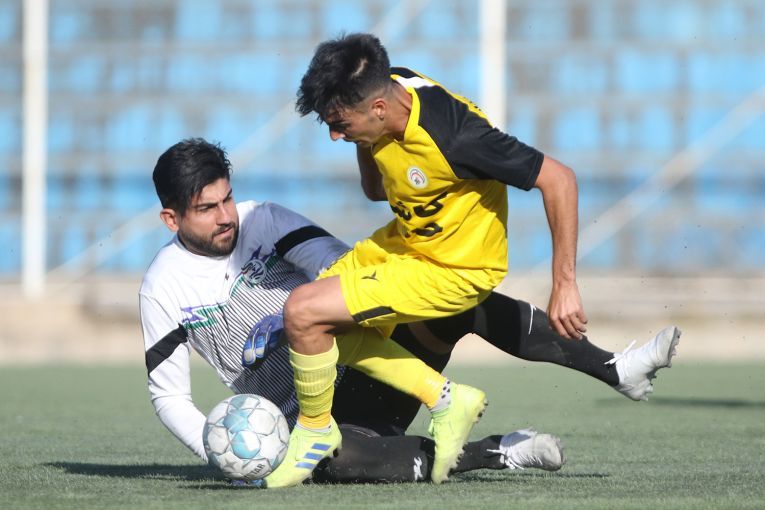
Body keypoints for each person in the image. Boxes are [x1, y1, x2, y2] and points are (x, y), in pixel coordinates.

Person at [271, 32, 681, 486]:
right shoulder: (393, 86)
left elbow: (559, 179)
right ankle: (612, 370)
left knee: (306, 313)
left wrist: (564, 282)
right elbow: (375, 190)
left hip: (453, 268)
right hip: (408, 244)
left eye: (338, 123)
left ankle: (413, 408)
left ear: (380, 108)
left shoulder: (457, 137)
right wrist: (361, 135)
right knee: (310, 320)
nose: (334, 134)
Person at [140, 138, 678, 485]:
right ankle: (496, 452)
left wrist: (291, 319)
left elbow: (340, 265)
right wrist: (225, 453)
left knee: (451, 299)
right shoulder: (162, 288)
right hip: (302, 419)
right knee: (333, 462)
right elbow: (170, 397)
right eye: (207, 209)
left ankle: (615, 368)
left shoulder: (264, 220)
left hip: (371, 360)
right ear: (171, 218)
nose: (226, 216)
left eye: (227, 199)